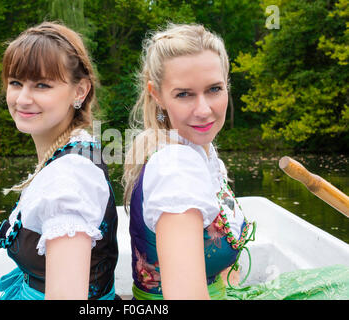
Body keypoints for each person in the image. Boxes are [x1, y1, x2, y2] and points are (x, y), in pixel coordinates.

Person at [123, 23, 349, 300]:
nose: (204, 110)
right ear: (157, 95)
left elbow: (223, 268)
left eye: (214, 89)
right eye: (184, 94)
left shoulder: (197, 151)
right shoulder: (176, 170)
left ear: (227, 85)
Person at [0, 21, 118, 300]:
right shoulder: (76, 146)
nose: (23, 99)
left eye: (41, 85)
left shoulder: (68, 179)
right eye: (16, 83)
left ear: (80, 91)